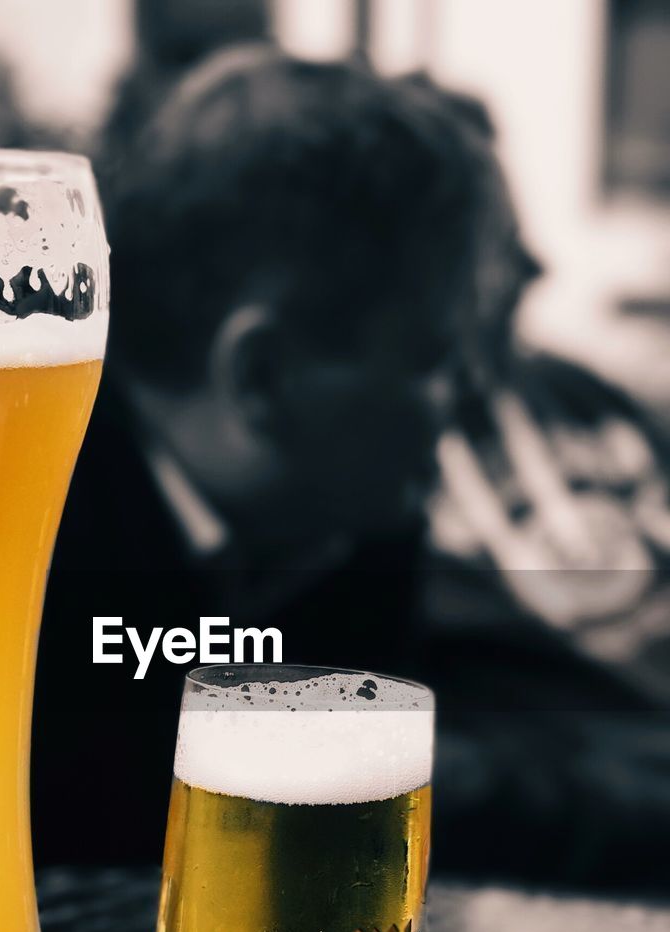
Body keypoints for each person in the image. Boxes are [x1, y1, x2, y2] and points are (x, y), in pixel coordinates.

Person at [31, 46, 503, 870]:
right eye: (431, 356)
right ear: (264, 377)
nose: (470, 393)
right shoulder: (7, 557)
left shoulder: (345, 527)